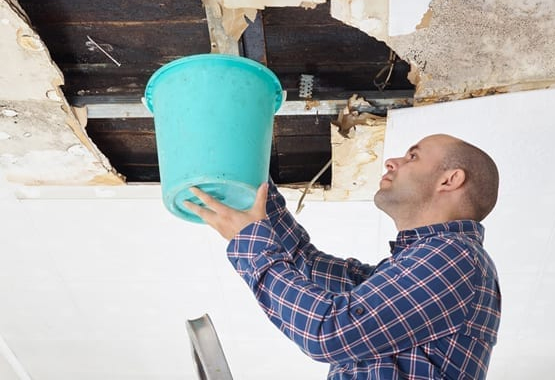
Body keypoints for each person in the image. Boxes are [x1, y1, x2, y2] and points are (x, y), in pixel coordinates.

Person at [187, 133, 504, 378]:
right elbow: (304, 263)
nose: (392, 162)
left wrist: (250, 242)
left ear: (450, 180)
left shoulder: (455, 257)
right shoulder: (407, 267)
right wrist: (248, 169)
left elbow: (328, 332)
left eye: (413, 156)